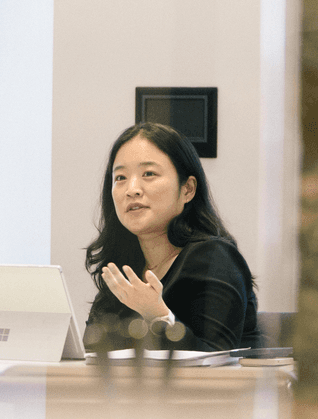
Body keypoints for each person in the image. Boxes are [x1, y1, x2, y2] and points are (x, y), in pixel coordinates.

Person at [84, 122, 261, 352]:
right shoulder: (122, 266)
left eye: (149, 174)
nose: (132, 189)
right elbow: (93, 352)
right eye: (120, 178)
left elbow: (217, 358)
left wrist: (157, 315)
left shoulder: (215, 258)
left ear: (187, 189)